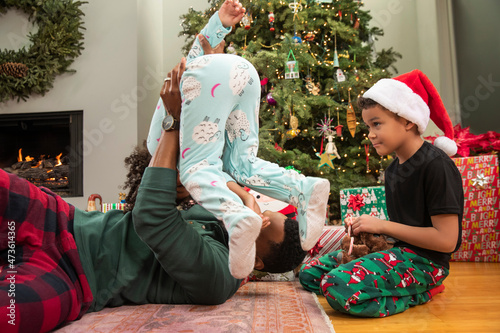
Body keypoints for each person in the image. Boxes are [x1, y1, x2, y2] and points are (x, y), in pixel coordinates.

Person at [0, 52, 307, 333]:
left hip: (75, 279)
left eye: (266, 227)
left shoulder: (217, 279)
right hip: (62, 220)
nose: (260, 217)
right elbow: (158, 191)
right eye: (266, 214)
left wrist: (173, 122)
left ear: (259, 264)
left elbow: (151, 216)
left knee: (10, 317)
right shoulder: (217, 211)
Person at [147, 0, 330, 279]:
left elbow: (198, 57)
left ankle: (303, 187)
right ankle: (291, 191)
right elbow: (197, 60)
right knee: (199, 168)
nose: (261, 219)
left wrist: (219, 25)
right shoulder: (167, 151)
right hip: (227, 74)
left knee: (242, 164)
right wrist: (217, 28)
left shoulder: (197, 169)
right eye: (265, 220)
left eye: (261, 223)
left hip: (243, 73)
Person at [299, 69, 464, 317]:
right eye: (368, 126)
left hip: (426, 263)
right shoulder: (394, 170)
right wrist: (368, 228)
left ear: (408, 120)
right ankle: (383, 284)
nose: (370, 134)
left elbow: (447, 241)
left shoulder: (436, 166)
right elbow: (402, 228)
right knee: (310, 274)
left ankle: (424, 291)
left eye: (377, 124)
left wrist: (383, 226)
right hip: (396, 252)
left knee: (335, 286)